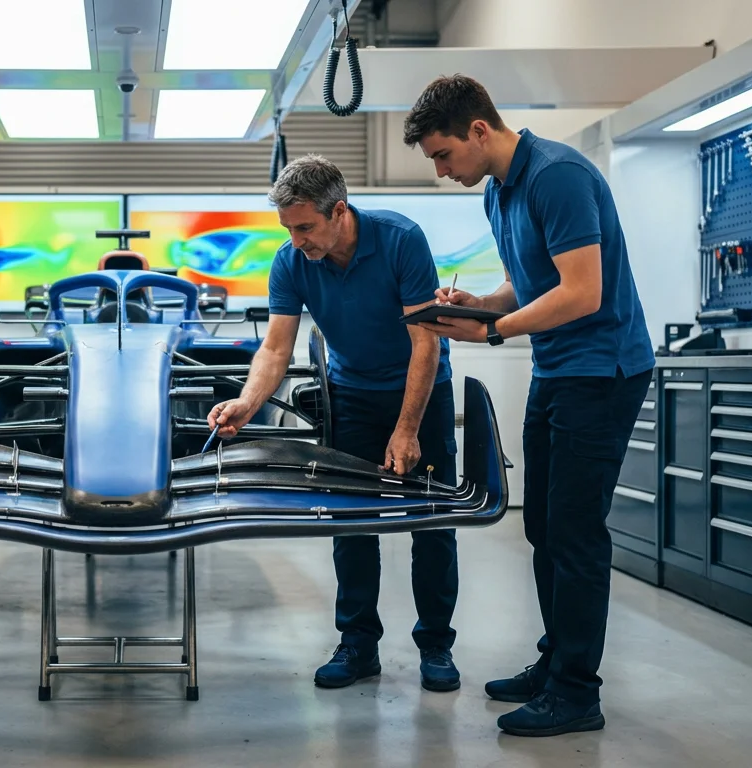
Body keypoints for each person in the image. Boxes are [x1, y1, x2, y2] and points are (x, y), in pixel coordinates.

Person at [402, 74, 655, 737]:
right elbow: (526, 282)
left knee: (575, 532)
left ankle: (577, 693)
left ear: (478, 131)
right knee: (541, 526)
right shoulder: (499, 192)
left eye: (442, 155)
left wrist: (492, 331)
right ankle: (557, 660)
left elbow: (583, 293)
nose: (441, 171)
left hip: (602, 370)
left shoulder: (557, 177)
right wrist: (480, 305)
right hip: (557, 368)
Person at [207, 154, 462, 694]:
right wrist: (247, 404)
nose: (297, 240)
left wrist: (407, 428)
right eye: (289, 229)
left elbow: (426, 341)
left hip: (422, 393)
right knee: (350, 523)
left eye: (305, 227)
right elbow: (276, 349)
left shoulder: (400, 239)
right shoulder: (291, 260)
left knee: (432, 521)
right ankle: (358, 645)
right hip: (352, 396)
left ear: (339, 211)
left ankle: (436, 644)